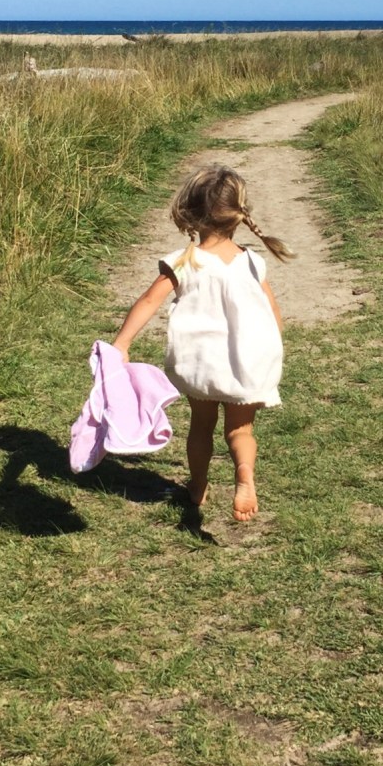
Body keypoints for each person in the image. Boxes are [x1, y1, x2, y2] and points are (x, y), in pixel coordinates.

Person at [112, 166, 292, 522]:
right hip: (248, 361)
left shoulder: (184, 261)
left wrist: (122, 342)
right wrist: (270, 350)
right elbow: (273, 312)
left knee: (201, 425)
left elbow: (149, 301)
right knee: (241, 430)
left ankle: (197, 486)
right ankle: (245, 474)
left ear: (191, 213)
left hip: (201, 361)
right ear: (238, 216)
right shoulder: (253, 261)